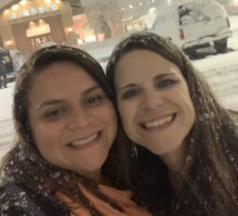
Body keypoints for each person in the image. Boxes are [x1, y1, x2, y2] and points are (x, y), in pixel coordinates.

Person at [0, 45, 151, 216]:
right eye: (55, 112)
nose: (82, 121)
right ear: (28, 130)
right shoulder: (21, 208)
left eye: (93, 99)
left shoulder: (137, 176)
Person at [106, 31, 238, 216]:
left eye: (165, 82)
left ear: (191, 87)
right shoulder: (132, 194)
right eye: (131, 93)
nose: (151, 102)